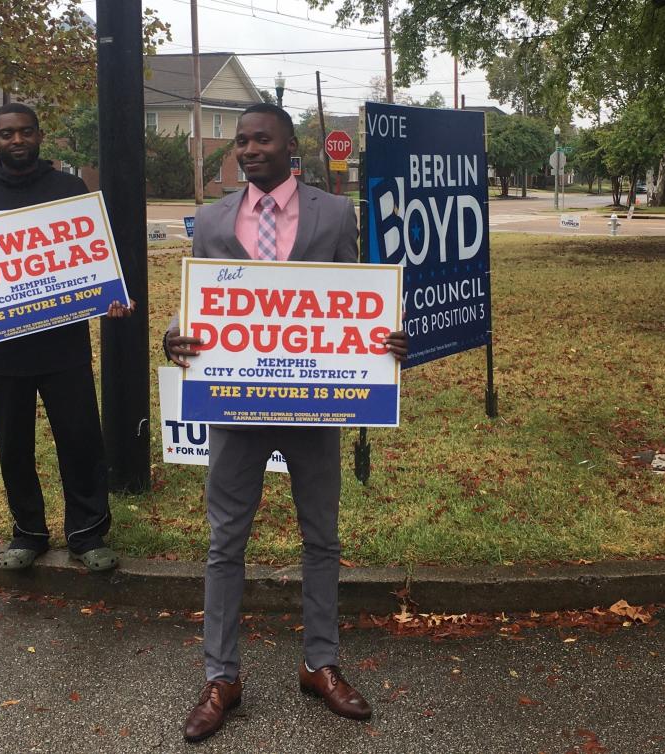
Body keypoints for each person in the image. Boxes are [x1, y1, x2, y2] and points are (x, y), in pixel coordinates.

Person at [163, 103, 409, 743]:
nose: (248, 149)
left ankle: (320, 664)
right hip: (235, 404)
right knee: (225, 541)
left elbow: (357, 298)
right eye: (240, 141)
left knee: (320, 538)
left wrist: (386, 341)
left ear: (289, 145)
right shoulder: (214, 218)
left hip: (315, 402)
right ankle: (223, 677)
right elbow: (201, 301)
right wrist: (176, 336)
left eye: (260, 139)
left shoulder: (333, 212)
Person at [0, 103, 133, 573]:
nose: (17, 140)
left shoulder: (68, 189)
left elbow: (93, 259)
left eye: (25, 132)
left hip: (64, 344)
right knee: (14, 445)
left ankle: (87, 534)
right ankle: (28, 532)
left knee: (81, 440)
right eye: (7, 134)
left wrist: (108, 292)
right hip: (0, 348)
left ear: (40, 136)